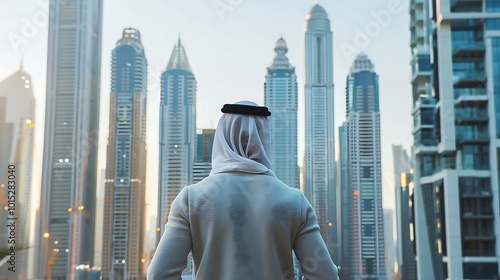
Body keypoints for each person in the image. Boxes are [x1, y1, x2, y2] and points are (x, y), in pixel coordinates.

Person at [147, 101, 339, 280]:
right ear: (264, 138)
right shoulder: (294, 201)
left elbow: (159, 274)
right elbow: (326, 276)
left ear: (221, 137)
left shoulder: (191, 199)